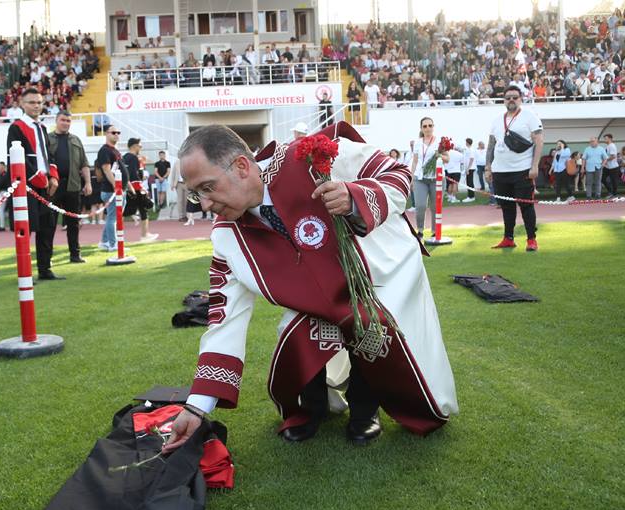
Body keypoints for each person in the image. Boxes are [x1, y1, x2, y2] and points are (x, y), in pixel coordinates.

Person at [163, 123, 457, 453]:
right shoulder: (225, 237)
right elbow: (223, 319)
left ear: (242, 167)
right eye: (195, 194)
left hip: (379, 273)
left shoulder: (314, 156)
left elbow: (397, 174)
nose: (203, 204)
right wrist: (196, 407)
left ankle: (365, 411)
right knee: (294, 333)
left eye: (207, 187)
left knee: (368, 322)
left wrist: (355, 197)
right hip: (315, 301)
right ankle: (309, 410)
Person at [6, 87, 63, 280]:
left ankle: (45, 269)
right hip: (28, 187)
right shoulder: (17, 127)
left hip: (47, 185)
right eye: (32, 102)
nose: (36, 106)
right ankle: (25, 273)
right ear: (22, 104)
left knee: (48, 228)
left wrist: (53, 176)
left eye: (39, 102)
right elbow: (16, 157)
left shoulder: (42, 127)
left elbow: (49, 155)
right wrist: (38, 177)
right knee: (27, 229)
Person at [485, 85, 544, 252]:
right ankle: (508, 238)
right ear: (503, 100)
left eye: (515, 97)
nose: (511, 100)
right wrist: (488, 167)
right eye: (508, 97)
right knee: (506, 206)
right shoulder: (497, 119)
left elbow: (539, 141)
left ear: (521, 99)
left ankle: (531, 239)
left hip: (523, 170)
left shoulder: (529, 116)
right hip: (500, 171)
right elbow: (491, 145)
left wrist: (534, 166)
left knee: (526, 206)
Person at [48, 111, 92, 263]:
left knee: (73, 223)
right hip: (52, 187)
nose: (66, 123)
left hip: (72, 186)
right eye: (63, 120)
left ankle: (75, 254)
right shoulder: (47, 139)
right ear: (56, 121)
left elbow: (84, 164)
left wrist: (88, 183)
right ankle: (47, 257)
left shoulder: (76, 140)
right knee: (50, 223)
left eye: (68, 121)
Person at [123, 137, 158, 242]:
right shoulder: (134, 158)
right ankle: (144, 235)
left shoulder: (124, 157)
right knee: (143, 210)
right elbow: (134, 175)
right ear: (134, 146)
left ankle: (117, 235)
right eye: (140, 145)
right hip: (135, 188)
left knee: (125, 212)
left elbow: (128, 174)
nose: (141, 147)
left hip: (127, 188)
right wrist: (141, 188)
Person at [410, 117, 440, 239]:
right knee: (420, 206)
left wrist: (440, 156)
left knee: (435, 207)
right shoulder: (417, 142)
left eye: (430, 125)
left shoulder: (439, 142)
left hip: (435, 179)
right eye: (425, 126)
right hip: (420, 178)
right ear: (421, 128)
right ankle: (420, 230)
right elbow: (415, 161)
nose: (428, 128)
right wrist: (411, 178)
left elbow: (447, 158)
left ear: (433, 126)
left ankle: (435, 231)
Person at [96, 126, 125, 251]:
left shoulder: (115, 151)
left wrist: (126, 186)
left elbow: (120, 169)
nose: (116, 134)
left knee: (112, 217)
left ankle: (104, 242)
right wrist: (116, 187)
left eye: (118, 132)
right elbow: (106, 170)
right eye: (113, 132)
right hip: (111, 190)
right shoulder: (104, 150)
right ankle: (113, 245)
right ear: (106, 134)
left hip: (118, 189)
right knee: (113, 218)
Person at [602, 134, 621, 199]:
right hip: (607, 167)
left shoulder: (612, 146)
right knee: (602, 179)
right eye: (604, 138)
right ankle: (610, 191)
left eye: (606, 138)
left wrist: (605, 161)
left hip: (613, 167)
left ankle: (614, 194)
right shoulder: (608, 146)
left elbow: (613, 156)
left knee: (614, 181)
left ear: (610, 139)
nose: (604, 140)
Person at [461, 138, 476, 202]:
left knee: (470, 182)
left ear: (467, 142)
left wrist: (468, 168)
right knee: (469, 182)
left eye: (466, 142)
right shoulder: (468, 149)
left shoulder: (471, 149)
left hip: (470, 168)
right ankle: (470, 196)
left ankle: (471, 197)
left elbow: (471, 159)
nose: (465, 143)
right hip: (468, 168)